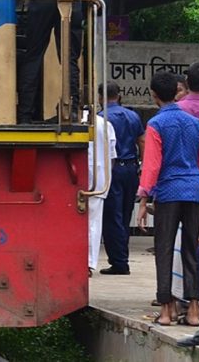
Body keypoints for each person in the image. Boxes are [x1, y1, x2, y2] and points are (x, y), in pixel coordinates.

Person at [136, 72, 199, 328]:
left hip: (168, 192)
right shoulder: (196, 124)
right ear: (177, 93)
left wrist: (143, 198)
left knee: (164, 250)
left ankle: (167, 311)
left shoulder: (156, 124)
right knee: (191, 250)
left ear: (154, 96)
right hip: (193, 190)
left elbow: (152, 166)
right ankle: (194, 311)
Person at [98, 83, 146, 275]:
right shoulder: (132, 115)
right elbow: (141, 140)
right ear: (119, 95)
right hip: (131, 169)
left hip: (113, 169)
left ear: (101, 96)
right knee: (125, 215)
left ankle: (119, 262)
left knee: (112, 216)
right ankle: (122, 256)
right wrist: (142, 164)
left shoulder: (101, 118)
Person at [87, 110, 117, 276]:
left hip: (75, 175)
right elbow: (112, 155)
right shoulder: (105, 124)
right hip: (98, 179)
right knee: (93, 223)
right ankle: (89, 263)